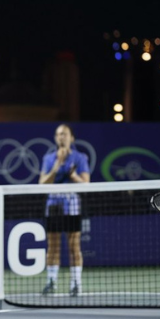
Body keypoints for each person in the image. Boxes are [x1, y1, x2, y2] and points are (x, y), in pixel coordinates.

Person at [38, 124, 90, 297]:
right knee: (52, 247)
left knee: (74, 246)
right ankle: (51, 282)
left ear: (71, 138)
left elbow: (86, 184)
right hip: (53, 206)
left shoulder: (80, 157)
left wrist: (73, 176)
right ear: (55, 138)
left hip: (72, 206)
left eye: (65, 134)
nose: (62, 137)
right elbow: (42, 184)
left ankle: (76, 283)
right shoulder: (49, 158)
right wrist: (57, 165)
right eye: (59, 134)